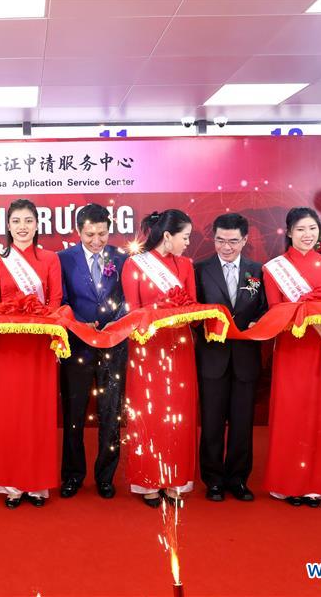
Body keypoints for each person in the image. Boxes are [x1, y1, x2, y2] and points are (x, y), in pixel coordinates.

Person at [262, 207, 321, 507]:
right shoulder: (274, 268)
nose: (307, 235)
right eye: (300, 229)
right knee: (292, 413)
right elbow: (275, 312)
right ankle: (288, 483)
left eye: (312, 228)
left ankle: (317, 484)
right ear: (289, 232)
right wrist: (303, 312)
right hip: (292, 349)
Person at [0, 199, 63, 509]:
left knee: (38, 411)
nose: (22, 227)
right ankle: (12, 485)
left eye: (28, 220)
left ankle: (37, 485)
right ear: (7, 225)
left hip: (40, 344)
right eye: (16, 221)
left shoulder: (50, 259)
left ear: (37, 224)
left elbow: (55, 300)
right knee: (10, 412)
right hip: (9, 345)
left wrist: (39, 319)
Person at [122, 210, 199, 507]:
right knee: (149, 412)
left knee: (179, 413)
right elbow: (133, 310)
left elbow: (192, 307)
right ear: (168, 236)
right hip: (147, 348)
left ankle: (176, 479)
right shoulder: (134, 264)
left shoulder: (186, 265)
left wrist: (181, 315)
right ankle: (148, 480)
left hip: (180, 347)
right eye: (185, 237)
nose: (188, 243)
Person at [194, 213, 267, 503]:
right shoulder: (200, 269)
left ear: (245, 240)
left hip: (245, 359)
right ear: (213, 238)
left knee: (242, 423)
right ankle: (213, 480)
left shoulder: (258, 270)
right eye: (220, 240)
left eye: (233, 241)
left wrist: (259, 322)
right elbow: (192, 310)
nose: (226, 247)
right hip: (212, 357)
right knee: (211, 423)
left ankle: (238, 480)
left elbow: (266, 307)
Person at [57, 203, 127, 500]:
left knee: (111, 413)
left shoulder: (122, 259)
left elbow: (129, 298)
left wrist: (117, 320)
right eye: (89, 235)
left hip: (114, 345)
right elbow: (59, 300)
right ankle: (73, 475)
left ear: (109, 230)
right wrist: (77, 322)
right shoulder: (63, 259)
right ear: (78, 231)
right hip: (77, 346)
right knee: (74, 413)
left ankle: (105, 476)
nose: (96, 241)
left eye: (102, 234)